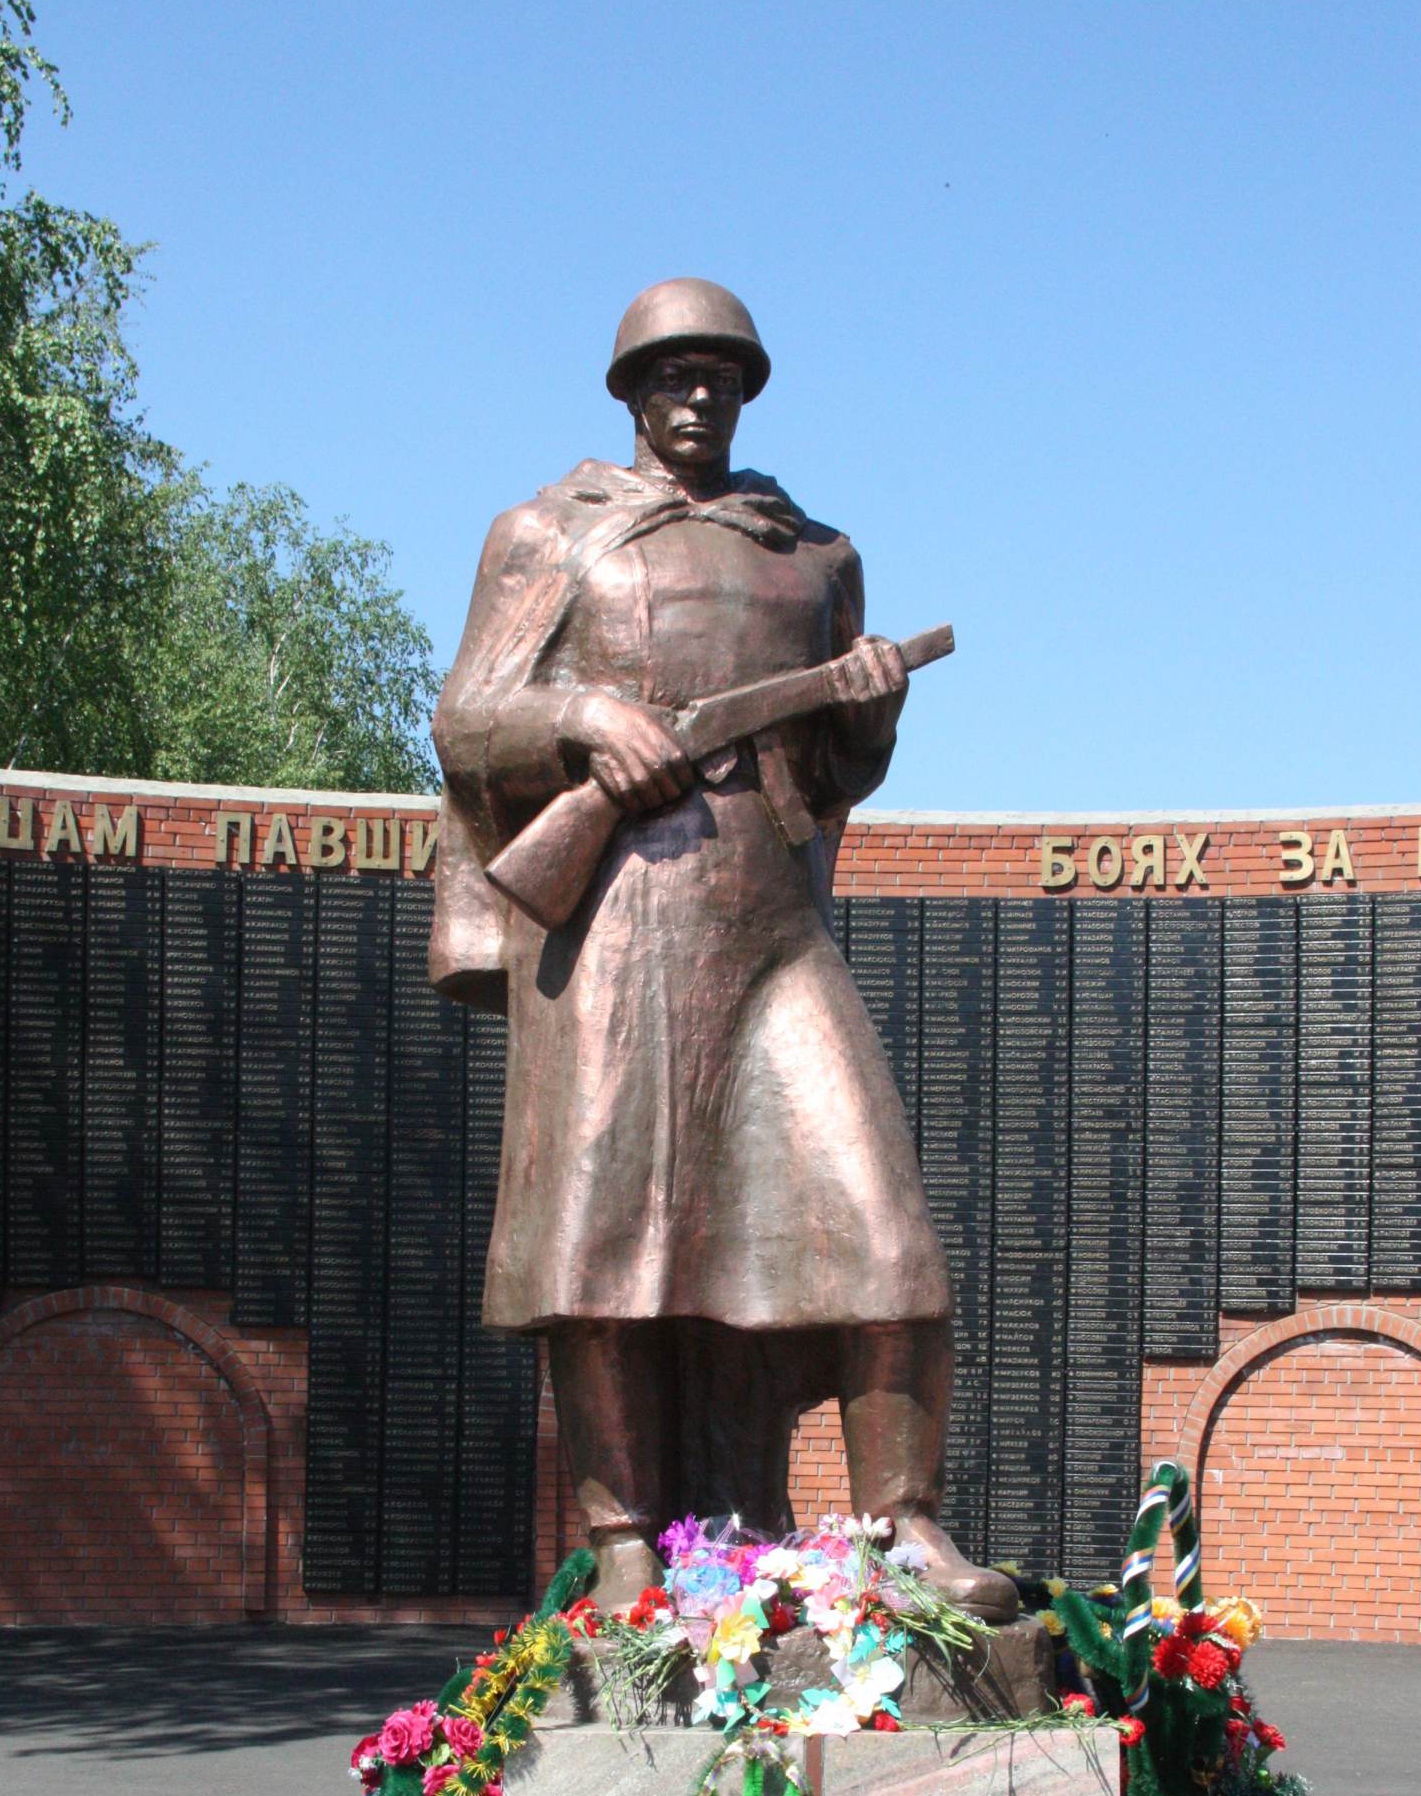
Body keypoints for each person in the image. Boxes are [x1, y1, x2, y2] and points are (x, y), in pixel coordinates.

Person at [431, 278, 1014, 1621]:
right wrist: (580, 717)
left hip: (768, 928)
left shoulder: (810, 555)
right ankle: (626, 1536)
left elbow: (836, 771)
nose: (699, 397)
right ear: (630, 389)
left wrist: (868, 715)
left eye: (723, 376)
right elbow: (469, 722)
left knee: (883, 1230)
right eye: (675, 374)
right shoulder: (547, 535)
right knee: (606, 1251)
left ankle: (901, 1529)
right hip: (617, 922)